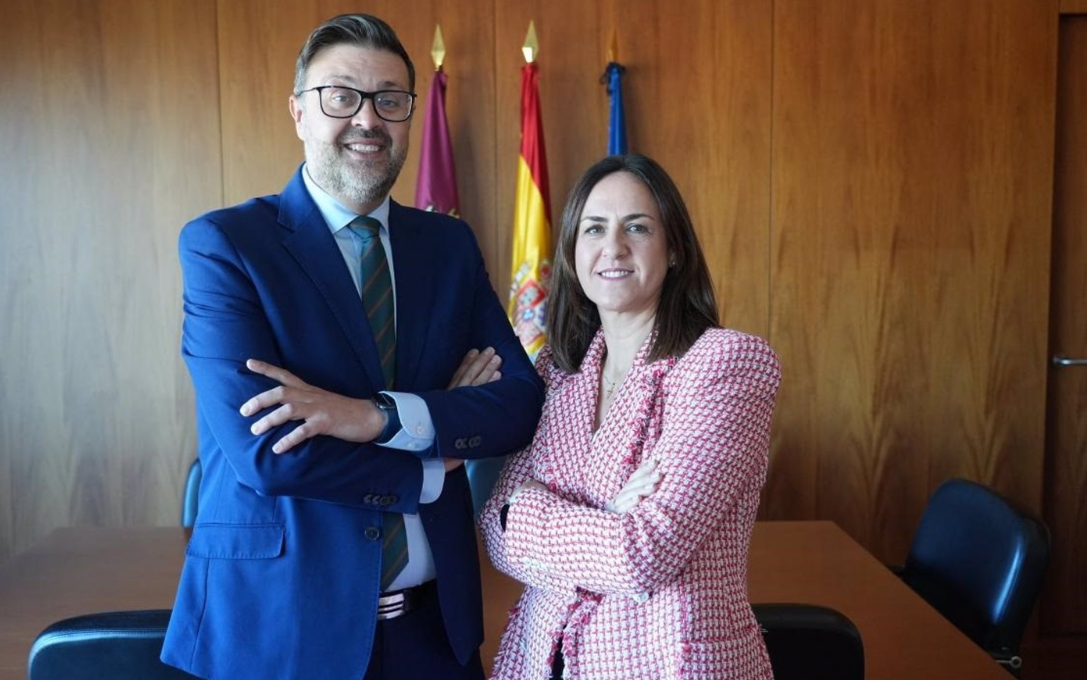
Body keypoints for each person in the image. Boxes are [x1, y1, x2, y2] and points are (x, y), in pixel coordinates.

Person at [160, 14, 544, 680]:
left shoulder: (448, 247)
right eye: (341, 96)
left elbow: (517, 404)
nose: (368, 119)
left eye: (390, 100)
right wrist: (431, 458)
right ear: (299, 113)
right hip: (279, 632)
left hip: (436, 632)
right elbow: (268, 452)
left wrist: (375, 418)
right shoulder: (226, 247)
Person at [479, 154, 781, 680]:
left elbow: (642, 553)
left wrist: (531, 512)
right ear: (572, 253)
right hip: (542, 660)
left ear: (674, 250)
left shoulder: (725, 365)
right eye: (594, 228)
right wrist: (610, 516)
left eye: (637, 227)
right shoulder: (556, 372)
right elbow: (495, 530)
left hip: (670, 665)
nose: (613, 247)